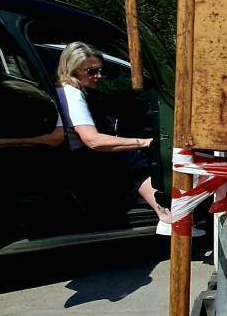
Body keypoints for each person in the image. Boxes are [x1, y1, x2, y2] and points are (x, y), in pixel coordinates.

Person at [55, 41, 187, 236]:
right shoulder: (72, 95)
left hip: (78, 157)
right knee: (136, 161)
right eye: (91, 71)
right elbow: (94, 141)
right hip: (82, 160)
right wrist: (143, 142)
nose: (98, 76)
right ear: (72, 69)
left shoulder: (73, 91)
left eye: (100, 70)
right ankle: (166, 215)